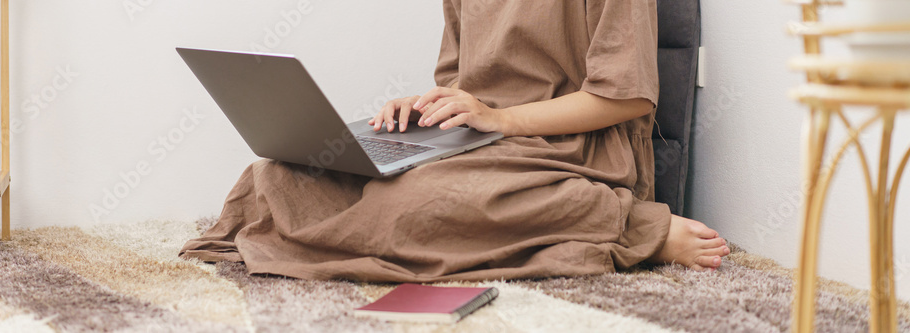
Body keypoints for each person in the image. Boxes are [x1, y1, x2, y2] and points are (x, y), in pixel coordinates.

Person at [180, 0, 730, 281]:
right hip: (477, 136)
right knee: (278, 174)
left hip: (569, 145)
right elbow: (460, 83)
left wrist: (502, 119)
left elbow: (628, 98)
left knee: (425, 204)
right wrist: (422, 106)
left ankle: (636, 226)